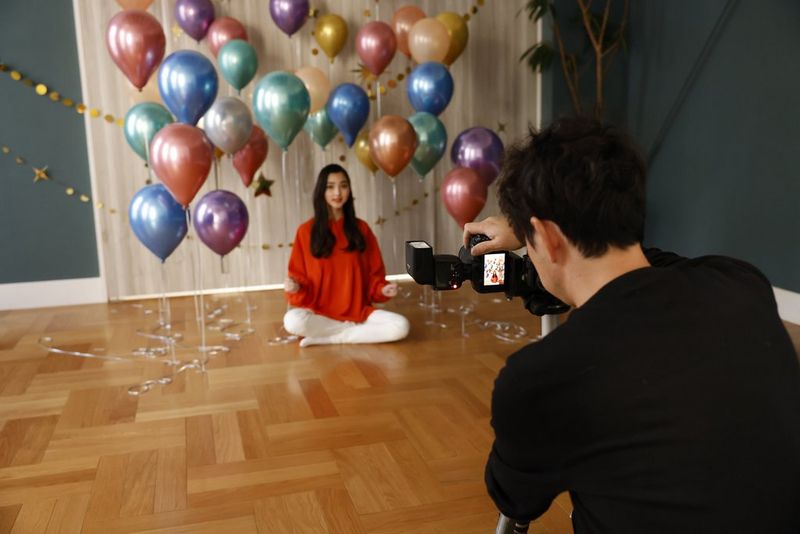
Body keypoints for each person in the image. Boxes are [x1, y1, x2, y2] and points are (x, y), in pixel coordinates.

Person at [464, 117, 800, 533]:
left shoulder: (538, 378)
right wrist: (532, 225)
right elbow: (654, 265)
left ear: (547, 237)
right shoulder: (741, 284)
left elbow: (515, 498)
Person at [283, 164, 409, 347]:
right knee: (292, 321)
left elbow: (374, 276)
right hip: (320, 315)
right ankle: (351, 334)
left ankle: (332, 338)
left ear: (349, 190)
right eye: (330, 186)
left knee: (401, 326)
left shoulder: (362, 230)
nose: (337, 192)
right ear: (321, 191)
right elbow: (298, 280)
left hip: (359, 313)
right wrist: (294, 287)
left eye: (343, 186)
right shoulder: (305, 232)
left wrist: (382, 289)